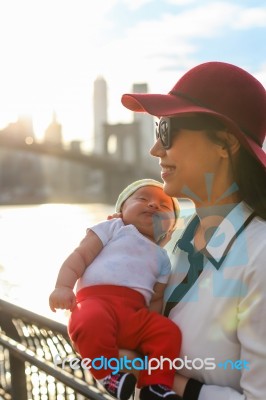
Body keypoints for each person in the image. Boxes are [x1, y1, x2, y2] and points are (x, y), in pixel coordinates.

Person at [120, 61, 266, 400]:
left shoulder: (259, 256)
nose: (155, 149)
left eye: (166, 130)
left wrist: (165, 385)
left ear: (225, 143)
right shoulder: (174, 242)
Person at [49, 179, 182, 400]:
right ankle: (108, 376)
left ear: (170, 227)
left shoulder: (162, 257)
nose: (153, 205)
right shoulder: (113, 228)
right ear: (121, 210)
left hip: (134, 314)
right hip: (96, 302)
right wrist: (63, 287)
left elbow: (156, 298)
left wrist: (147, 330)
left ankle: (155, 384)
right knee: (90, 320)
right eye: (142, 198)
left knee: (168, 332)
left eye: (164, 206)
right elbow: (79, 256)